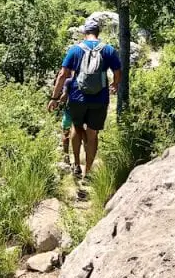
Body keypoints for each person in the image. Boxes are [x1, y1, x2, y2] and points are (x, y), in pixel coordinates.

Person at [47, 16, 122, 178]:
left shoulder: (75, 49)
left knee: (76, 127)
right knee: (92, 133)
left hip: (77, 97)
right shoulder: (108, 49)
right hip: (100, 98)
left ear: (85, 32)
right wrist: (115, 84)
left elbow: (63, 74)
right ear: (98, 32)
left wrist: (54, 97)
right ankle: (87, 170)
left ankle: (75, 164)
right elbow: (117, 72)